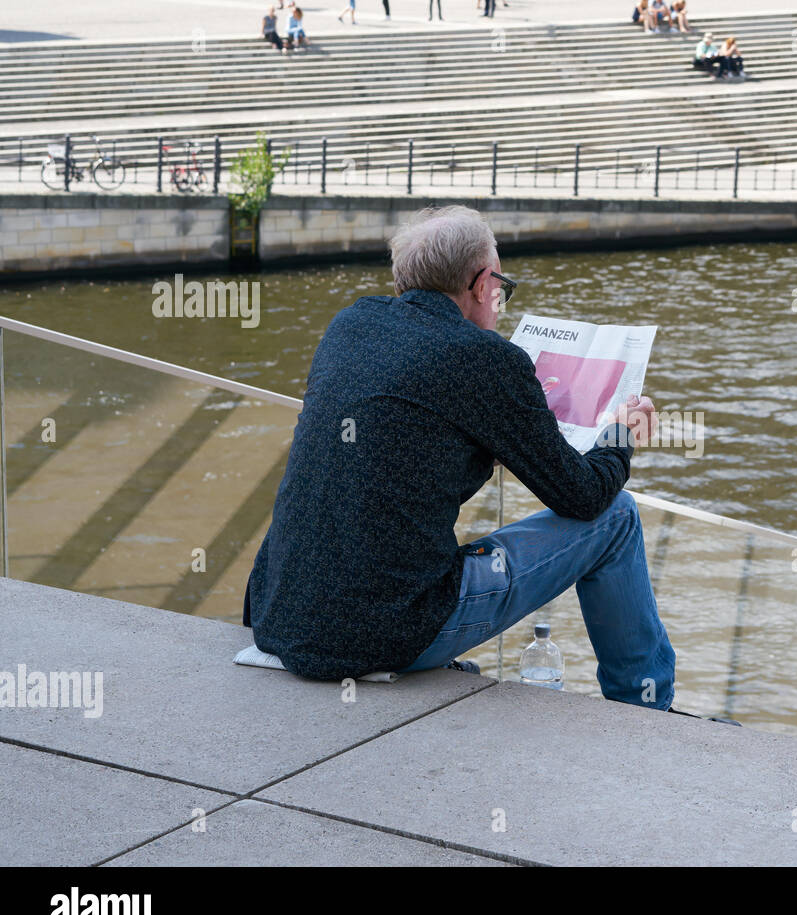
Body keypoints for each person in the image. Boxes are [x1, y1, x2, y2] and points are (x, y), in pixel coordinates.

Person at [242, 205, 678, 713]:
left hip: (280, 616)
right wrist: (621, 435)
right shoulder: (484, 359)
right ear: (480, 283)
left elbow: (399, 456)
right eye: (501, 287)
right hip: (388, 630)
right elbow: (582, 497)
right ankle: (648, 710)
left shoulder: (352, 324)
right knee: (618, 516)